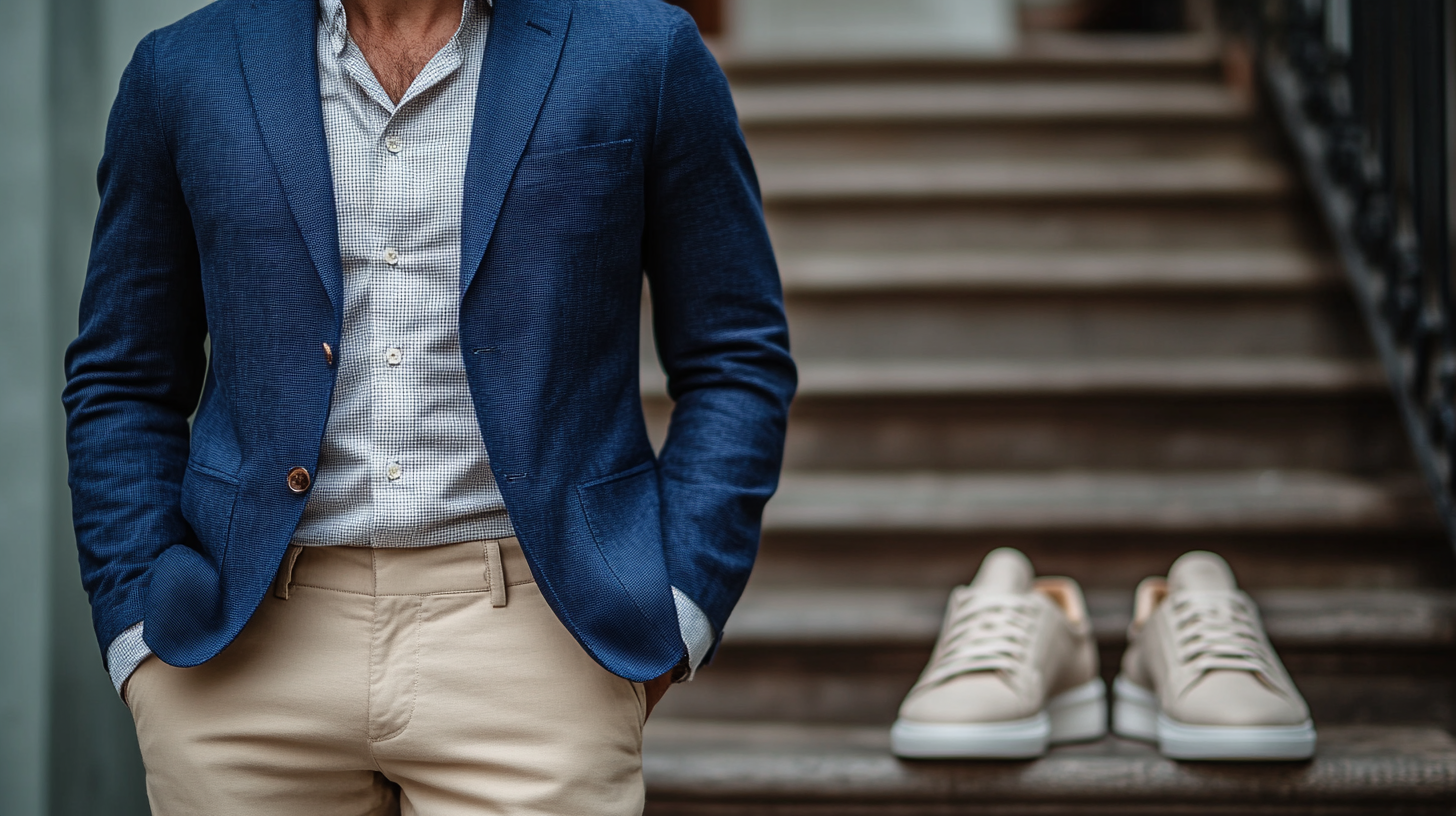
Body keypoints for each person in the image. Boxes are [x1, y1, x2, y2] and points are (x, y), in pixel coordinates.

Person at [61, 0, 795, 812]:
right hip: (238, 651)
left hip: (536, 641)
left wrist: (681, 606)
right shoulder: (182, 69)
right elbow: (123, 375)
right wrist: (136, 634)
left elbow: (736, 354)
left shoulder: (643, 52)